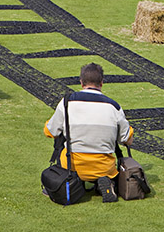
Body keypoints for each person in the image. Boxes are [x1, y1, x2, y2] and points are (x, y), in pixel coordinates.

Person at [44, 63, 134, 203]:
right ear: (102, 83)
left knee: (62, 135)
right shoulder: (113, 106)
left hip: (73, 165)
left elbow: (50, 132)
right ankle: (103, 182)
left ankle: (70, 181)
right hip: (103, 166)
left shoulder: (67, 102)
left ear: (81, 82)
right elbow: (127, 139)